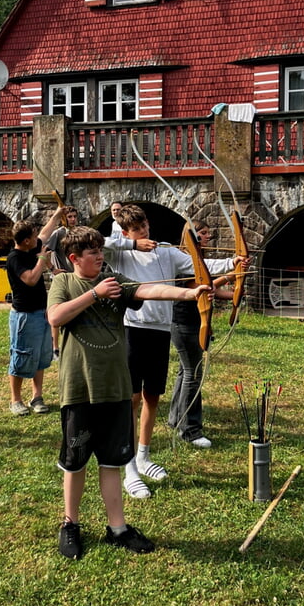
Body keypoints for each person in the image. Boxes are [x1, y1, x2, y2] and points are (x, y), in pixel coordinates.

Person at [47, 226, 213, 558]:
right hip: (79, 388)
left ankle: (118, 528)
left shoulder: (115, 282)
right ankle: (70, 524)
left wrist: (190, 294)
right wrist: (95, 294)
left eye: (100, 250)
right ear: (74, 258)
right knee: (75, 462)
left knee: (112, 461)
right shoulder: (63, 283)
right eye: (92, 252)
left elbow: (150, 290)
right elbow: (55, 316)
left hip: (115, 387)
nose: (99, 256)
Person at [103, 204, 239, 499]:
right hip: (132, 329)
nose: (144, 232)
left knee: (152, 396)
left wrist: (233, 262)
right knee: (132, 399)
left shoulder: (165, 251)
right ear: (125, 232)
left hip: (160, 330)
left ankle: (143, 456)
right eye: (136, 230)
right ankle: (129, 467)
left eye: (144, 226)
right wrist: (132, 245)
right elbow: (95, 242)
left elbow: (199, 264)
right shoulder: (120, 253)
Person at [168, 221, 234, 448]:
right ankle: (190, 430)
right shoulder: (185, 261)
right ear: (192, 236)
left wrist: (235, 293)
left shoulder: (196, 259)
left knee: (185, 372)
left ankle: (176, 419)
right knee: (193, 374)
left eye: (208, 232)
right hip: (184, 323)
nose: (208, 236)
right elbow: (202, 286)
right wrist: (230, 276)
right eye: (203, 233)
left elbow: (210, 288)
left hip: (191, 322)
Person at [6, 207, 64, 416]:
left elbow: (46, 233)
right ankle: (15, 400)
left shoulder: (32, 246)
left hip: (41, 311)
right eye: (33, 236)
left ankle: (36, 397)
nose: (37, 238)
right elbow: (30, 279)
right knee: (21, 356)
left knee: (40, 356)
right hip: (24, 316)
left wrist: (57, 214)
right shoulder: (14, 258)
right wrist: (42, 260)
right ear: (25, 241)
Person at [45, 205, 79, 359]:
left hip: (76, 277)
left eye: (74, 216)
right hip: (61, 278)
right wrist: (52, 269)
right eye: (69, 217)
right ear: (64, 218)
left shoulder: (78, 232)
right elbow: (44, 250)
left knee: (75, 311)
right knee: (56, 312)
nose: (72, 219)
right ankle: (55, 348)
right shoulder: (58, 233)